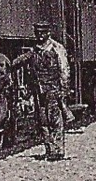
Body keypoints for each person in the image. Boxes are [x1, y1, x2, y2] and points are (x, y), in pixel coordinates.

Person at [13, 23, 71, 161]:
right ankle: (50, 149)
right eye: (37, 32)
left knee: (55, 120)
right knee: (42, 120)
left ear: (48, 33)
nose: (40, 35)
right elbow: (20, 62)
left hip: (53, 89)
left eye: (42, 33)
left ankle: (58, 150)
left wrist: (64, 89)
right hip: (39, 90)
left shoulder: (56, 48)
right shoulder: (34, 50)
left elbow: (64, 69)